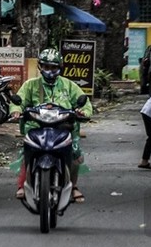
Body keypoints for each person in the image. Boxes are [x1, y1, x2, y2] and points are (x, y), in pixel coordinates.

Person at [9, 48, 92, 202]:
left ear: (60, 68)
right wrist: (16, 111)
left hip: (64, 128)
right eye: (46, 67)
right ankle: (24, 184)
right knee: (28, 149)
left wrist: (83, 112)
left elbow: (84, 102)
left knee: (75, 153)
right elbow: (18, 101)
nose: (49, 71)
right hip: (36, 127)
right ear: (40, 67)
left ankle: (73, 186)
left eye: (53, 67)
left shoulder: (69, 86)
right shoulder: (31, 85)